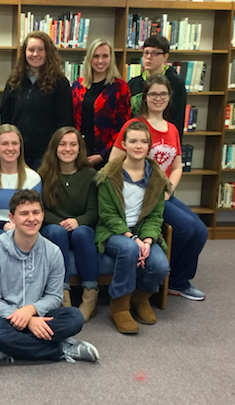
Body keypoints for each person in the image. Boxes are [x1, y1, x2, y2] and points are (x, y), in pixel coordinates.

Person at [110, 74, 207, 301]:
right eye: (153, 94)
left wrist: (168, 190)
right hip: (140, 195)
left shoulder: (172, 129)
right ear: (145, 97)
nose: (158, 98)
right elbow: (113, 163)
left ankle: (177, 281)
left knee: (201, 231)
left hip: (163, 193)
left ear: (169, 97)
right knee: (184, 228)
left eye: (163, 94)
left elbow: (177, 166)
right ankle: (157, 275)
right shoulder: (134, 126)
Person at [0, 189, 99, 365]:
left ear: (42, 215)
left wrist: (31, 311)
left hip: (41, 313)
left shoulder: (53, 252)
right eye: (24, 214)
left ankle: (7, 348)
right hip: (6, 318)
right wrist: (28, 321)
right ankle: (61, 350)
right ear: (12, 218)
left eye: (36, 212)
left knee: (75, 317)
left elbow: (55, 296)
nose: (31, 218)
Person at [95, 121, 171, 334]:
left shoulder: (157, 178)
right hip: (113, 232)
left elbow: (156, 216)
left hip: (143, 231)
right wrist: (132, 238)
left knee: (160, 265)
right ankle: (119, 306)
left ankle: (140, 299)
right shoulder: (108, 175)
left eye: (144, 141)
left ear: (149, 147)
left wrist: (147, 239)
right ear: (124, 145)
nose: (138, 146)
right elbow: (107, 215)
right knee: (128, 249)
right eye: (133, 141)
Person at [38, 127, 99, 320]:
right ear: (55, 148)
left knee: (83, 233)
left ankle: (90, 294)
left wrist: (77, 221)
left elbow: (93, 211)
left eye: (73, 144)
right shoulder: (44, 174)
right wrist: (61, 222)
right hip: (54, 228)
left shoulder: (90, 175)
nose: (68, 149)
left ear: (80, 149)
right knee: (56, 232)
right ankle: (61, 294)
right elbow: (40, 210)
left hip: (81, 228)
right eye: (62, 144)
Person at [1, 31, 73, 170]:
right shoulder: (15, 79)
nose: (35, 54)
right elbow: (5, 116)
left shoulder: (60, 82)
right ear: (24, 52)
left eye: (41, 50)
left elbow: (64, 121)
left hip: (45, 154)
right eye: (31, 50)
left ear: (48, 52)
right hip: (16, 152)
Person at [0, 124, 41, 252]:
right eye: (4, 144)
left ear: (20, 146)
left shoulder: (33, 178)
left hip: (25, 231)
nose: (10, 148)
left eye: (14, 143)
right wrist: (5, 226)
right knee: (6, 238)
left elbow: (35, 215)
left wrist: (19, 228)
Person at [71, 38, 131, 169]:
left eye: (105, 56)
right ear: (89, 59)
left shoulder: (120, 87)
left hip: (106, 157)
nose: (100, 61)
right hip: (77, 153)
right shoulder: (78, 85)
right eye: (96, 56)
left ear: (111, 59)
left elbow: (122, 128)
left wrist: (102, 155)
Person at [128, 36, 186, 141]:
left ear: (165, 56)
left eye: (155, 53)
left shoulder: (175, 83)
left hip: (163, 139)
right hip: (137, 140)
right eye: (146, 52)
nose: (149, 57)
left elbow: (177, 118)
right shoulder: (133, 83)